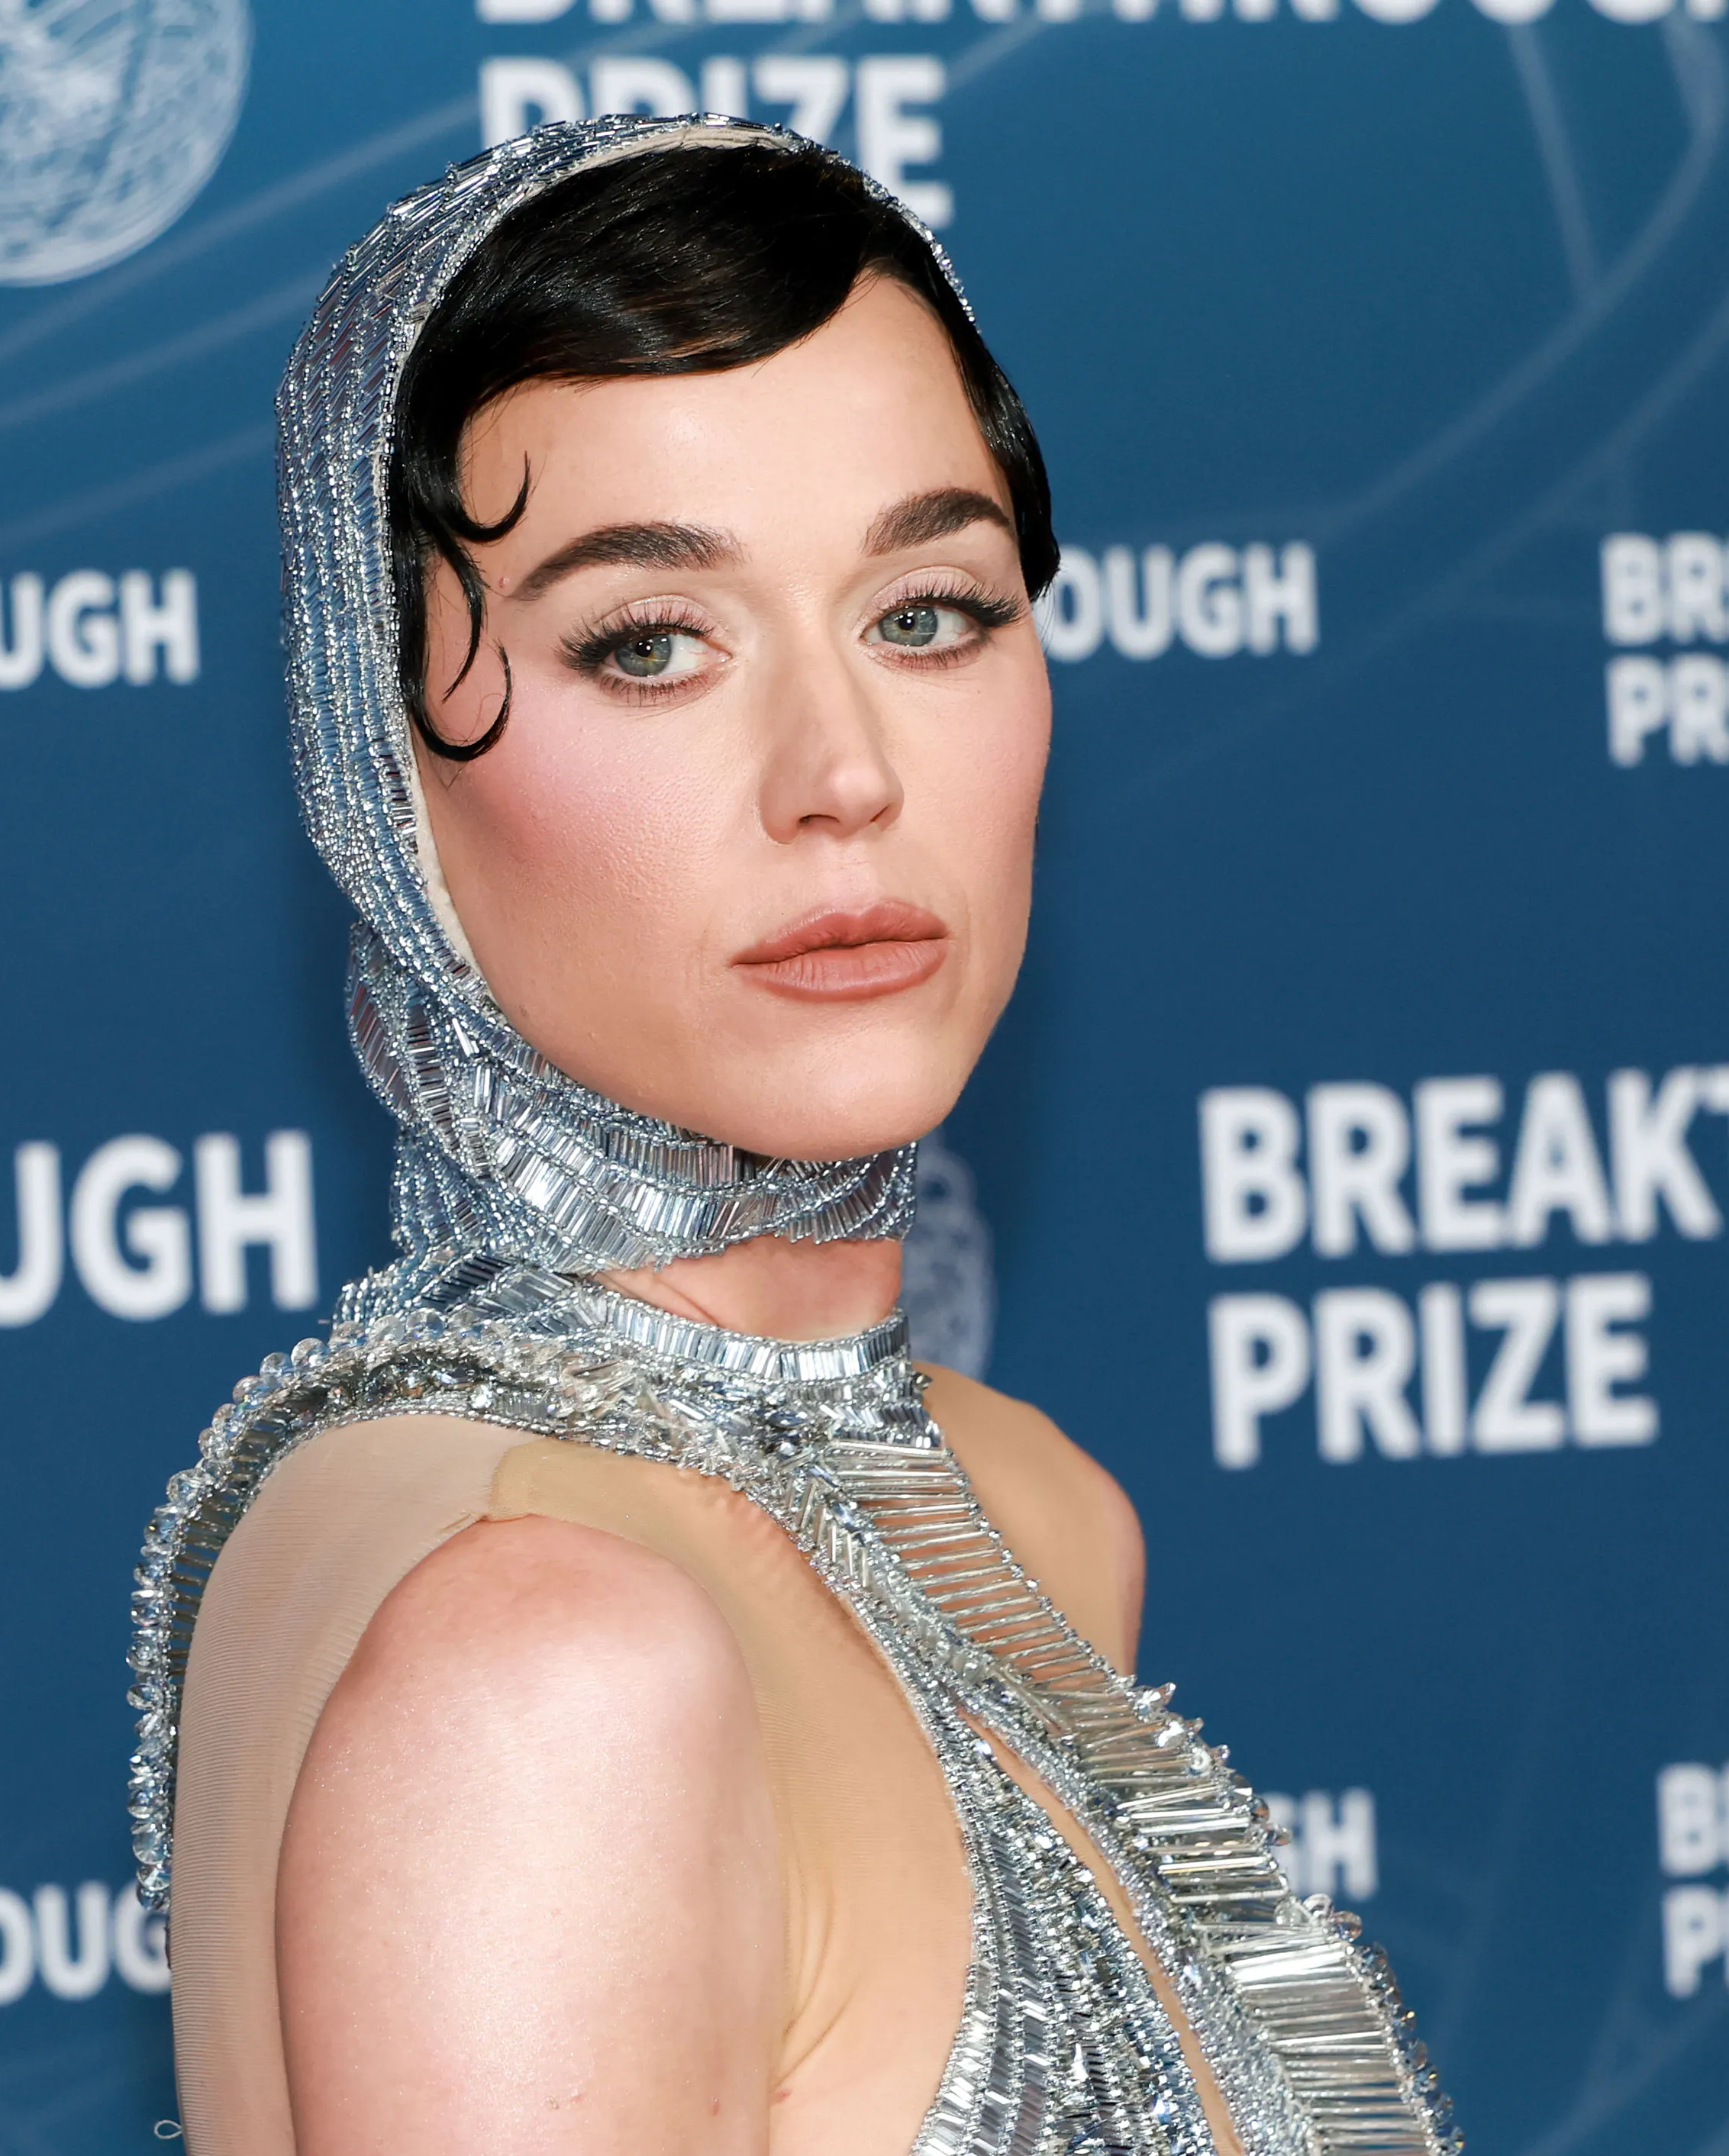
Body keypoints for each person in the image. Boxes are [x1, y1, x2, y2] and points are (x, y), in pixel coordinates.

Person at [128, 117, 1453, 2156]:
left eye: (928, 611)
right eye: (650, 641)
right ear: (375, 761)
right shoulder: (542, 1665)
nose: (841, 773)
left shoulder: (1013, 1514)